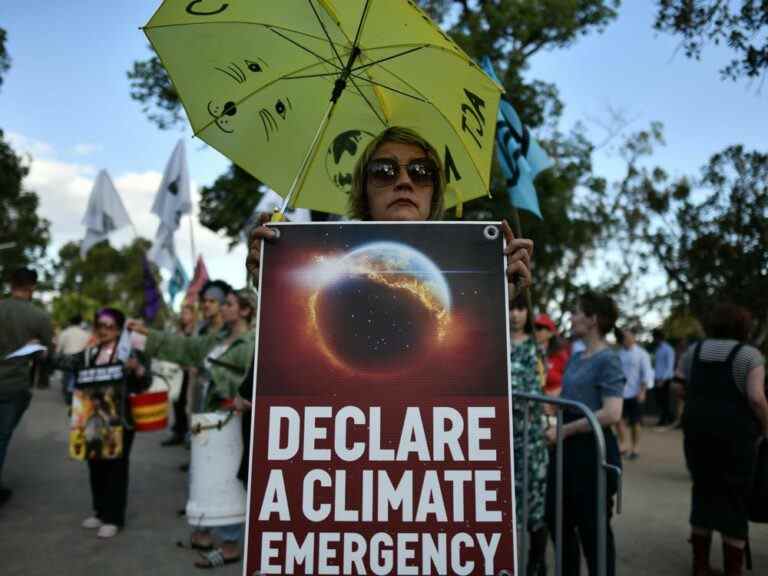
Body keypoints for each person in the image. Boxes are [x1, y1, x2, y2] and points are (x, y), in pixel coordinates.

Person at [128, 286, 256, 568]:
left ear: (245, 310)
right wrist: (145, 335)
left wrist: (232, 393)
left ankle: (230, 545)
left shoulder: (254, 343)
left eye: (229, 304)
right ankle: (207, 535)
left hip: (234, 422)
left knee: (229, 483)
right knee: (208, 477)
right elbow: (185, 348)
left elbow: (253, 386)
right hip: (210, 419)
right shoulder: (217, 338)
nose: (222, 308)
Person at [678, 303, 767, 576]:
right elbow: (755, 397)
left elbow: (677, 386)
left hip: (697, 435)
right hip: (736, 439)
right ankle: (732, 570)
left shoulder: (695, 351)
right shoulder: (750, 356)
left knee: (702, 493)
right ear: (743, 327)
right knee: (735, 501)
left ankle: (700, 566)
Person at [544, 290, 625, 576]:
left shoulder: (609, 359)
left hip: (591, 452)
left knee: (593, 529)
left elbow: (612, 413)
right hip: (565, 452)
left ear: (593, 319)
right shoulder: (577, 357)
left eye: (577, 311)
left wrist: (565, 430)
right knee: (557, 519)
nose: (572, 316)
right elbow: (568, 399)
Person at [56, 307, 150, 538]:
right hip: (91, 419)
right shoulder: (89, 353)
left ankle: (114, 517)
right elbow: (65, 363)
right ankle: (99, 511)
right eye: (100, 325)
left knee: (116, 467)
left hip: (120, 420)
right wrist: (40, 352)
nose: (104, 330)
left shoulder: (129, 353)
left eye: (109, 326)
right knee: (95, 463)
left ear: (118, 329)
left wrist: (136, 369)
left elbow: (145, 382)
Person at [0, 267, 53, 507]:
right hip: (14, 384)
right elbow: (45, 353)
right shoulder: (39, 317)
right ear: (32, 287)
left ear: (11, 283)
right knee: (1, 437)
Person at [510, 294, 549, 576]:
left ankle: (537, 563)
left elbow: (540, 388)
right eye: (511, 308)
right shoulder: (495, 343)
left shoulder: (536, 347)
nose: (515, 315)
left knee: (535, 501)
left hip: (530, 436)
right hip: (502, 436)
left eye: (521, 308)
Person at [161, 302, 198, 447]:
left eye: (186, 313)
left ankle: (188, 434)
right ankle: (179, 431)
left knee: (189, 404)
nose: (183, 316)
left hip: (190, 373)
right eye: (182, 313)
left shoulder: (196, 331)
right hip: (178, 372)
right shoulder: (179, 330)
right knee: (177, 402)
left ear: (193, 315)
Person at [615, 326, 654, 460]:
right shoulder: (619, 354)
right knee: (617, 419)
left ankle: (635, 447)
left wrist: (642, 391)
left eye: (626, 337)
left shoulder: (642, 354)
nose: (624, 339)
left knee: (635, 423)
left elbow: (647, 373)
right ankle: (623, 444)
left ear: (633, 337)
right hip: (620, 393)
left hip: (635, 393)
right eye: (623, 337)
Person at [55, 314, 91, 405]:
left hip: (67, 358)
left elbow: (59, 348)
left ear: (70, 322)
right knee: (77, 378)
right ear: (80, 323)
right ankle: (74, 395)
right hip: (80, 359)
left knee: (67, 377)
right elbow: (88, 347)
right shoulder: (85, 334)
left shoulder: (65, 333)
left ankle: (68, 394)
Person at [534, 313, 571, 397]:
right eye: (534, 328)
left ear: (550, 333)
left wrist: (559, 391)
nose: (535, 331)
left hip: (557, 402)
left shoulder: (561, 355)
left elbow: (570, 381)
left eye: (539, 328)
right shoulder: (530, 354)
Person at [652, 328, 676, 427]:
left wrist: (663, 379)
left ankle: (665, 419)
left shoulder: (668, 349)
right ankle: (669, 418)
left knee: (664, 399)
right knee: (659, 399)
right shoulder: (658, 349)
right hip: (657, 378)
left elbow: (670, 366)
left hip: (665, 379)